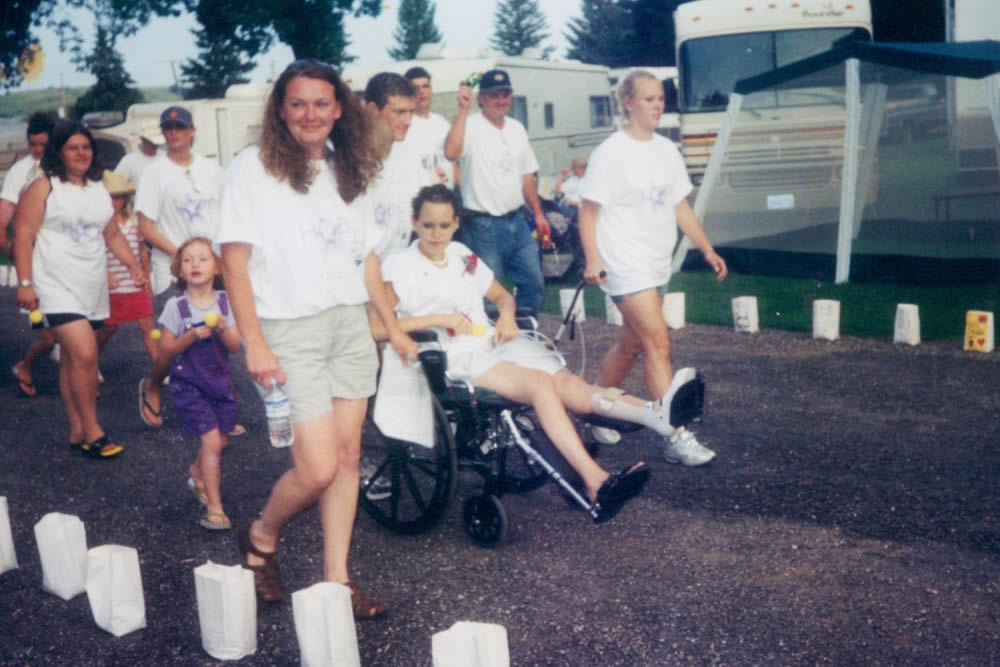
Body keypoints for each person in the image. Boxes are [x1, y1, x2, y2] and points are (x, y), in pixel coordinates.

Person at [216, 60, 416, 616]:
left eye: (321, 104)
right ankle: (261, 535)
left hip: (348, 322)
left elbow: (366, 258)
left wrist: (392, 328)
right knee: (318, 467)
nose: (311, 115)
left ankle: (337, 579)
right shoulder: (251, 170)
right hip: (288, 329)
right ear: (281, 109)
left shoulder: (345, 168)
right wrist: (254, 341)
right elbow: (233, 263)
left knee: (349, 456)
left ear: (339, 109)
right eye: (298, 103)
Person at [375, 184, 662, 522]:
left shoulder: (462, 255)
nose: (436, 234)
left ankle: (656, 413)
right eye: (427, 225)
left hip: (491, 343)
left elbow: (503, 297)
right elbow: (378, 328)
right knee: (540, 384)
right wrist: (439, 319)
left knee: (567, 384)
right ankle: (595, 480)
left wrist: (508, 317)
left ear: (455, 224)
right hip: (451, 356)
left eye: (443, 225)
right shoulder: (400, 266)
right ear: (414, 223)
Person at [579, 70, 728, 466]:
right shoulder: (609, 153)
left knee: (630, 344)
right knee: (657, 343)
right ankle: (675, 435)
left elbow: (680, 206)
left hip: (655, 262)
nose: (658, 105)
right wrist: (593, 259)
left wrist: (706, 248)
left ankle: (589, 407)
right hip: (623, 263)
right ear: (628, 103)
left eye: (661, 98)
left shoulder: (666, 150)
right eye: (648, 99)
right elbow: (588, 212)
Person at [13, 120, 147, 459]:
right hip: (54, 286)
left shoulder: (98, 188)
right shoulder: (43, 187)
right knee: (86, 353)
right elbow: (23, 236)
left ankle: (76, 431)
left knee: (74, 360)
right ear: (59, 151)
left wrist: (133, 265)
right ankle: (93, 429)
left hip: (91, 286)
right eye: (73, 147)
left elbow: (112, 234)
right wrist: (26, 284)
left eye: (86, 147)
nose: (81, 153)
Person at [134, 106, 228, 430]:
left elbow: (225, 215)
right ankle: (153, 386)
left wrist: (215, 259)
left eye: (180, 127)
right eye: (168, 127)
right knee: (171, 341)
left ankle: (216, 401)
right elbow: (144, 225)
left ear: (192, 131)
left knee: (216, 337)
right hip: (172, 268)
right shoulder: (155, 172)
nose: (174, 132)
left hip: (211, 267)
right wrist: (183, 256)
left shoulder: (212, 169)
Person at [444, 68, 550, 315]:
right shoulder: (469, 126)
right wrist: (462, 110)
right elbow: (450, 153)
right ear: (481, 98)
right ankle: (492, 346)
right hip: (483, 227)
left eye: (505, 95)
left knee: (533, 283)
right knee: (488, 292)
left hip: (519, 221)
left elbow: (527, 175)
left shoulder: (517, 128)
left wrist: (539, 214)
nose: (501, 101)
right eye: (494, 95)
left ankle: (525, 336)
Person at [156, 237, 241, 531]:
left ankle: (197, 471)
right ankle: (215, 508)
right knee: (212, 442)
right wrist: (189, 337)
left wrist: (223, 328)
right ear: (179, 269)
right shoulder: (175, 306)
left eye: (203, 259)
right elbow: (165, 350)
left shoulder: (226, 302)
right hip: (188, 384)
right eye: (188, 260)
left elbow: (234, 347)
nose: (195, 265)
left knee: (221, 441)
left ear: (216, 266)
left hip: (219, 384)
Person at [5, 113, 58, 397]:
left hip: (63, 257)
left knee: (72, 323)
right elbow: (7, 204)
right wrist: (3, 229)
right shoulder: (21, 171)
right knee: (49, 333)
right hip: (34, 258)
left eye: (43, 144)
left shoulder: (63, 166)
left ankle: (81, 374)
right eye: (33, 144)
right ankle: (26, 365)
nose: (37, 150)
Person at [363, 72, 428, 260]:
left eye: (411, 112)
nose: (408, 121)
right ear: (372, 110)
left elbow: (425, 207)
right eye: (399, 112)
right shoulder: (348, 159)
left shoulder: (409, 152)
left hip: (399, 267)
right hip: (361, 275)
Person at [95, 171, 157, 367]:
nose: (115, 202)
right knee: (108, 329)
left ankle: (160, 367)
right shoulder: (98, 224)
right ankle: (90, 363)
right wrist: (104, 275)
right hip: (112, 286)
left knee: (148, 326)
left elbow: (142, 251)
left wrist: (146, 277)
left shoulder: (134, 222)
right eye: (110, 198)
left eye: (119, 197)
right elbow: (93, 254)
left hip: (134, 282)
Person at [403, 66, 454, 188]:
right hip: (419, 199)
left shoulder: (442, 123)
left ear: (431, 90)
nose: (421, 92)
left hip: (446, 196)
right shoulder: (404, 125)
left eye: (425, 86)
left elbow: (454, 163)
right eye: (415, 88)